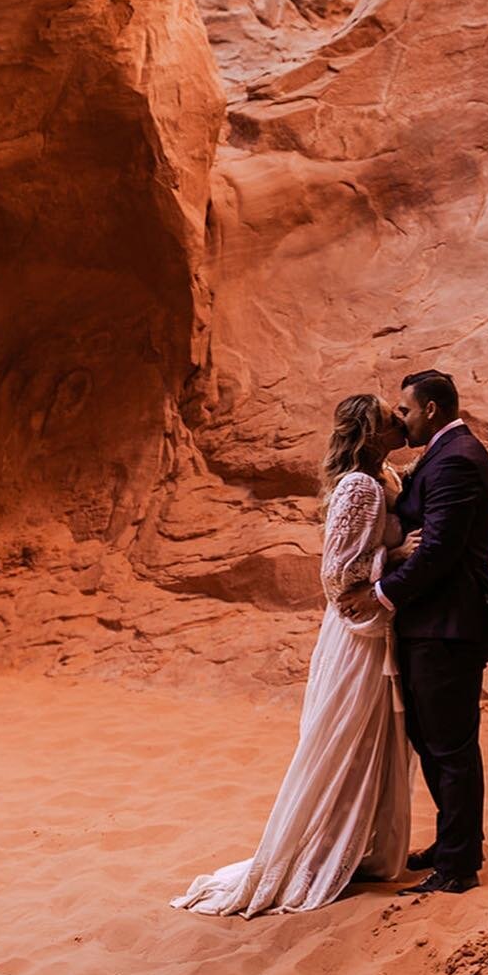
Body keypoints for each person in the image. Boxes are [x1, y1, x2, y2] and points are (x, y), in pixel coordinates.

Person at [170, 393, 417, 917]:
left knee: (374, 736)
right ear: (368, 431)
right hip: (357, 631)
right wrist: (393, 555)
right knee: (345, 733)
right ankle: (317, 852)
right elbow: (336, 576)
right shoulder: (359, 486)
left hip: (378, 626)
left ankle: (355, 847)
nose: (399, 418)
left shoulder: (387, 478)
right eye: (387, 414)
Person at [341, 369, 488, 895]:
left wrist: (376, 595)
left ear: (431, 409)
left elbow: (439, 550)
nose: (401, 418)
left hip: (451, 624)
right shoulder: (443, 454)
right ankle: (453, 842)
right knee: (431, 738)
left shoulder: (459, 459)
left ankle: (459, 866)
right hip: (430, 623)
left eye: (406, 409)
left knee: (450, 746)